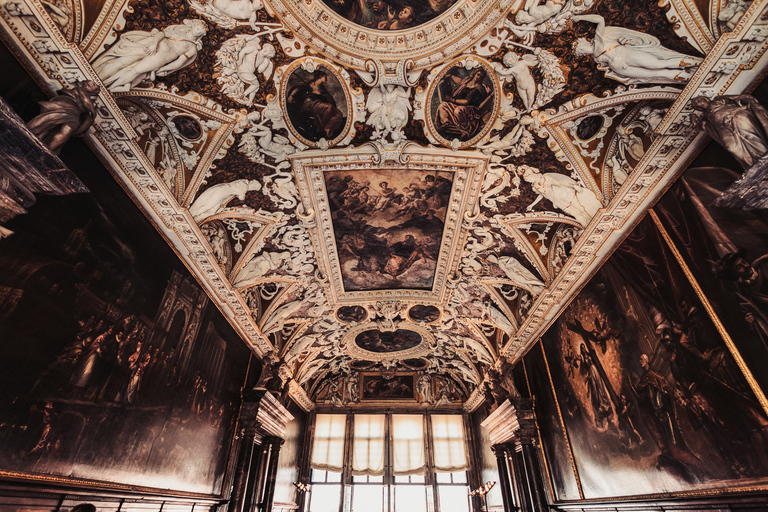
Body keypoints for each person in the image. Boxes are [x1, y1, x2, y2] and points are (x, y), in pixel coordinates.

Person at [571, 14, 702, 85]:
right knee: (656, 74)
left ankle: (697, 63)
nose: (583, 52)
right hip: (621, 68)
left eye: (581, 48)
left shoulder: (599, 39)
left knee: (658, 64)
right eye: (580, 53)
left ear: (585, 42)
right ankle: (688, 78)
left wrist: (580, 17)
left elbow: (600, 19)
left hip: (625, 55)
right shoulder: (596, 58)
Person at [91, 19, 207, 92]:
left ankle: (105, 87)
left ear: (202, 34)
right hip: (150, 46)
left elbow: (178, 63)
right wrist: (154, 44)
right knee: (122, 61)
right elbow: (162, 34)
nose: (197, 31)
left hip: (159, 58)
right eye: (197, 28)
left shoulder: (192, 48)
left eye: (200, 31)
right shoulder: (179, 31)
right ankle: (95, 77)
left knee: (135, 71)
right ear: (193, 26)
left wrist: (162, 69)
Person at [691, 94, 768, 169]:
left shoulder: (717, 100)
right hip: (724, 129)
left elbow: (737, 98)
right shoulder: (705, 117)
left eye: (698, 99)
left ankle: (763, 155)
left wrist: (750, 102)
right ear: (698, 108)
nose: (698, 101)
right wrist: (693, 117)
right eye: (696, 103)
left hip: (735, 117)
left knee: (749, 136)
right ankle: (755, 163)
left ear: (705, 99)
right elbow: (701, 126)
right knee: (731, 147)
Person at [27, 81, 99, 155]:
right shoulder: (80, 89)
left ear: (94, 92)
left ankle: (47, 151)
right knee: (50, 123)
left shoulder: (86, 111)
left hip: (75, 114)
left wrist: (88, 121)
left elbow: (83, 126)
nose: (88, 84)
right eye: (88, 82)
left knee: (66, 131)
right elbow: (86, 102)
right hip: (67, 106)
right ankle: (45, 149)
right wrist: (94, 113)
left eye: (93, 84)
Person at [286, 69, 345, 141]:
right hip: (309, 104)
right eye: (325, 77)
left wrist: (319, 94)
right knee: (328, 107)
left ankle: (328, 128)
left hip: (319, 105)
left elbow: (329, 98)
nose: (326, 79)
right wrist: (291, 95)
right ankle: (321, 128)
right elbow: (297, 88)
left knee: (338, 113)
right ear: (321, 76)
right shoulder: (309, 83)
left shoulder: (322, 89)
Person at [435, 68, 492, 141]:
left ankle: (466, 130)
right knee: (443, 105)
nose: (478, 77)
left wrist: (452, 100)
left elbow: (467, 101)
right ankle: (446, 123)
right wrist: (450, 76)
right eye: (478, 75)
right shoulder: (467, 81)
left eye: (481, 76)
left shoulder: (479, 89)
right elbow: (460, 81)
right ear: (474, 73)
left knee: (458, 110)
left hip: (471, 110)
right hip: (459, 106)